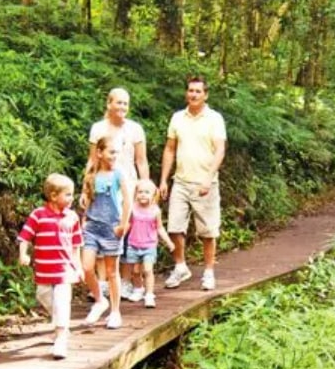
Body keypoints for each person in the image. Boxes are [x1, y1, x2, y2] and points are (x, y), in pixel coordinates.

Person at [159, 75, 227, 291]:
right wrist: (163, 180)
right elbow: (170, 149)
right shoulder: (178, 117)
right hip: (180, 180)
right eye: (190, 90)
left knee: (207, 230)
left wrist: (208, 177)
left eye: (198, 91)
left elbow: (220, 149)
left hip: (205, 182)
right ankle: (180, 266)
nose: (193, 94)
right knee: (174, 227)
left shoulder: (214, 118)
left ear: (205, 95)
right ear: (186, 93)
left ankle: (208, 272)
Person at [18, 173, 82, 359]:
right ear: (53, 196)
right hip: (44, 269)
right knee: (43, 296)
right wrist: (23, 254)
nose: (72, 198)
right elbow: (25, 237)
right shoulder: (38, 215)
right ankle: (59, 321)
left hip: (64, 269)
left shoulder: (72, 217)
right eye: (68, 195)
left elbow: (76, 244)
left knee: (62, 301)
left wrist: (77, 266)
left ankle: (61, 338)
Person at [79, 136, 131, 328]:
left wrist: (123, 225)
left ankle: (115, 311)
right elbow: (86, 197)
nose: (114, 156)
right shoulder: (91, 173)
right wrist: (84, 212)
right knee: (86, 267)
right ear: (99, 153)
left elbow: (128, 200)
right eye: (111, 152)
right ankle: (101, 300)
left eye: (117, 152)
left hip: (112, 227)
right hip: (92, 226)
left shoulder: (118, 174)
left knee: (111, 271)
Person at [90, 88, 151, 182]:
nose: (122, 107)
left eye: (125, 104)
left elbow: (141, 161)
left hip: (129, 183)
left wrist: (146, 185)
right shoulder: (97, 128)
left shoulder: (136, 129)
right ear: (109, 104)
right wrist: (86, 190)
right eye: (119, 103)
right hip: (104, 183)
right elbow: (93, 161)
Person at [121, 178, 162, 310]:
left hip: (149, 245)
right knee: (135, 271)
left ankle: (149, 294)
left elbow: (159, 228)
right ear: (136, 194)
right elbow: (128, 224)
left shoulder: (155, 211)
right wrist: (120, 236)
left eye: (146, 192)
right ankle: (138, 289)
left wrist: (169, 242)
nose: (143, 194)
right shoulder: (133, 209)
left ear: (153, 194)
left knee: (148, 269)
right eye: (140, 192)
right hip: (133, 244)